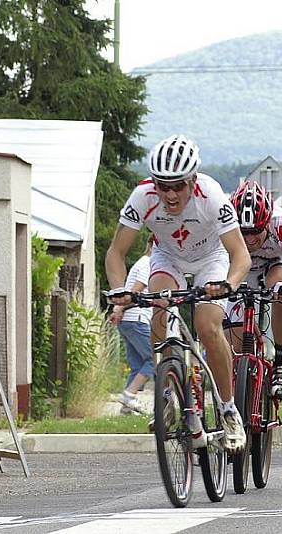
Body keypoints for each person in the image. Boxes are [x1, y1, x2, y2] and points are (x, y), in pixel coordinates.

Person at [105, 134, 252, 453]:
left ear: (193, 181)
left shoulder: (211, 196)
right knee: (160, 307)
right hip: (167, 256)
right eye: (163, 185)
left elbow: (240, 255)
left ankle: (228, 410)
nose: (170, 194)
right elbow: (116, 252)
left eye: (178, 186)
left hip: (212, 259)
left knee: (207, 326)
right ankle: (170, 390)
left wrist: (229, 284)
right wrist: (120, 291)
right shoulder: (142, 197)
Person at [226, 180, 282, 399]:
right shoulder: (224, 220)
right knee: (236, 348)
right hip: (238, 271)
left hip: (272, 268)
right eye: (243, 232)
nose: (249, 239)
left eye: (256, 231)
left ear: (267, 222)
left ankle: (281, 363)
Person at [110, 235, 155, 415]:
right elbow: (136, 290)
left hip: (128, 320)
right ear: (152, 245)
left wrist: (119, 310)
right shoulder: (148, 264)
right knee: (153, 359)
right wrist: (119, 308)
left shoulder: (140, 263)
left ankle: (126, 408)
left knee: (137, 364)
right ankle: (129, 394)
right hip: (137, 318)